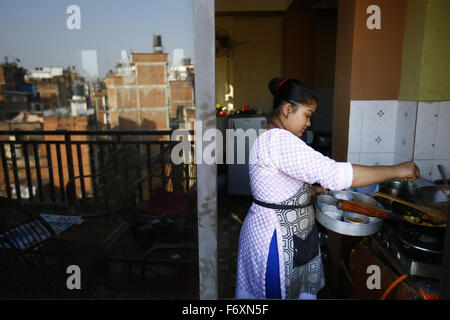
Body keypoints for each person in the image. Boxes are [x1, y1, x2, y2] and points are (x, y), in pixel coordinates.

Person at [235, 78, 420, 300]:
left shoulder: (269, 136)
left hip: (280, 232)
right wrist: (396, 170)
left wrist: (309, 191)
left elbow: (274, 184)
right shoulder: (279, 140)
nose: (309, 123)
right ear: (287, 109)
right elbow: (333, 174)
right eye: (307, 115)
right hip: (275, 239)